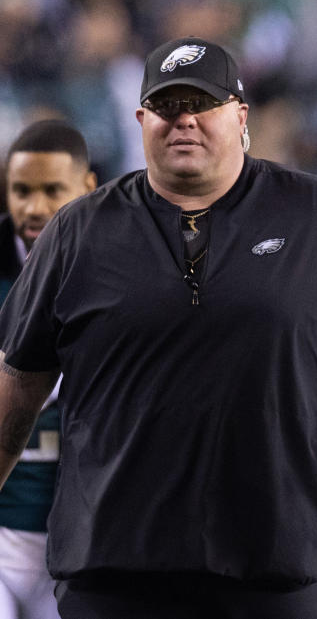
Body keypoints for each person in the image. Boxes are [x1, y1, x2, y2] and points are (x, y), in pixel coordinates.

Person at [0, 36, 317, 619]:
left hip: (275, 561)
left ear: (241, 116)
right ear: (141, 119)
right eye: (167, 106)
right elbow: (17, 384)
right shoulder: (77, 233)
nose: (184, 120)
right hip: (112, 565)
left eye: (203, 102)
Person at [0, 120, 96, 619]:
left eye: (51, 190)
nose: (34, 207)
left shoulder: (126, 274)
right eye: (21, 190)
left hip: (87, 540)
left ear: (87, 187)